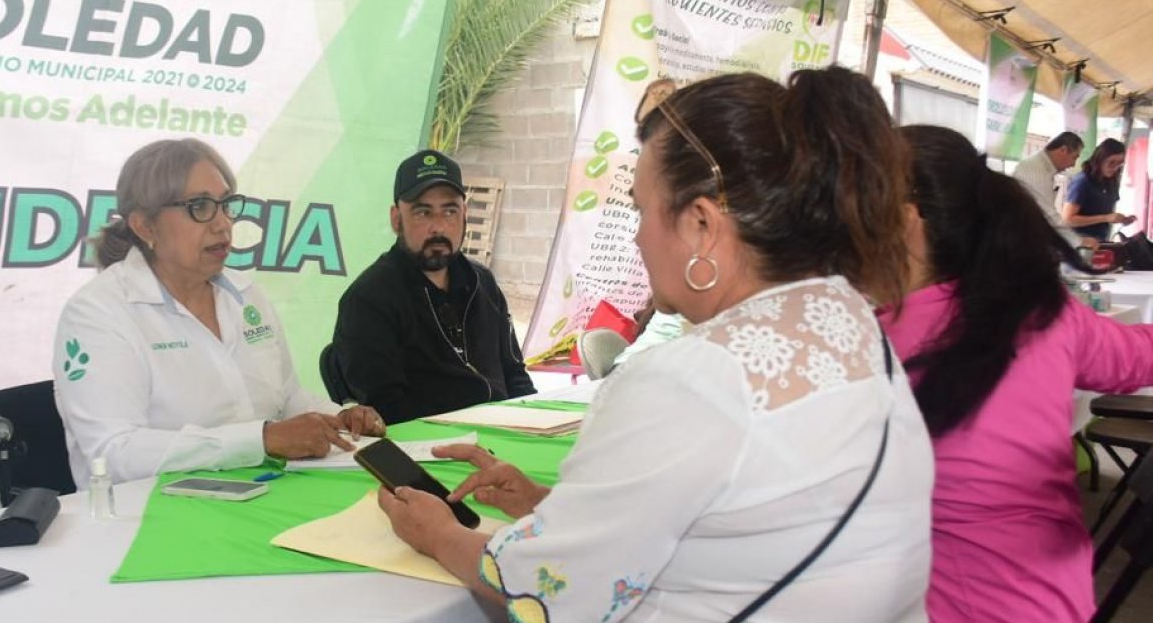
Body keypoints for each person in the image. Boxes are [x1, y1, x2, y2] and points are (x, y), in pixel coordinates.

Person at [377, 68, 935, 622]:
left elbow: (544, 590)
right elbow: (738, 528)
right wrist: (553, 508)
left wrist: (439, 534)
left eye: (642, 210)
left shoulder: (688, 381)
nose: (638, 236)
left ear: (700, 225)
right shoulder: (852, 324)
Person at [881, 125, 1153, 622]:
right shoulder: (1041, 310)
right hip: (1057, 598)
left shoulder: (870, 338)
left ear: (905, 220)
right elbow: (1136, 356)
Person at [53, 138, 385, 486]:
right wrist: (260, 440)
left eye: (226, 205)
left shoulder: (246, 294)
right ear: (145, 226)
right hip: (148, 510)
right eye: (199, 206)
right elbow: (112, 453)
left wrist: (340, 418)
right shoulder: (97, 313)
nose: (222, 224)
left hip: (261, 489)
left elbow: (287, 399)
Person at [327, 149, 534, 424]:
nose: (438, 227)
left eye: (449, 211)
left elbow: (515, 376)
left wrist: (534, 421)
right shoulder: (368, 299)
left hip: (506, 432)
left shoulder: (482, 283)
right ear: (396, 219)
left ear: (465, 215)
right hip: (429, 442)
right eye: (422, 212)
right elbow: (385, 409)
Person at [1011, 132, 1094, 249]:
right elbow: (1049, 214)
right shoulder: (1036, 170)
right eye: (1074, 157)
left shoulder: (1041, 167)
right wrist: (1078, 241)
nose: (1073, 164)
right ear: (1063, 150)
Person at [1062, 138, 1133, 241]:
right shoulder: (1083, 181)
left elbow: (1107, 212)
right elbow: (1068, 219)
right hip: (1079, 241)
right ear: (1100, 159)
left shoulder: (1111, 181)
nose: (1115, 168)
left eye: (1119, 164)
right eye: (1111, 162)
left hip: (1100, 240)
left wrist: (1122, 219)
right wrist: (1106, 218)